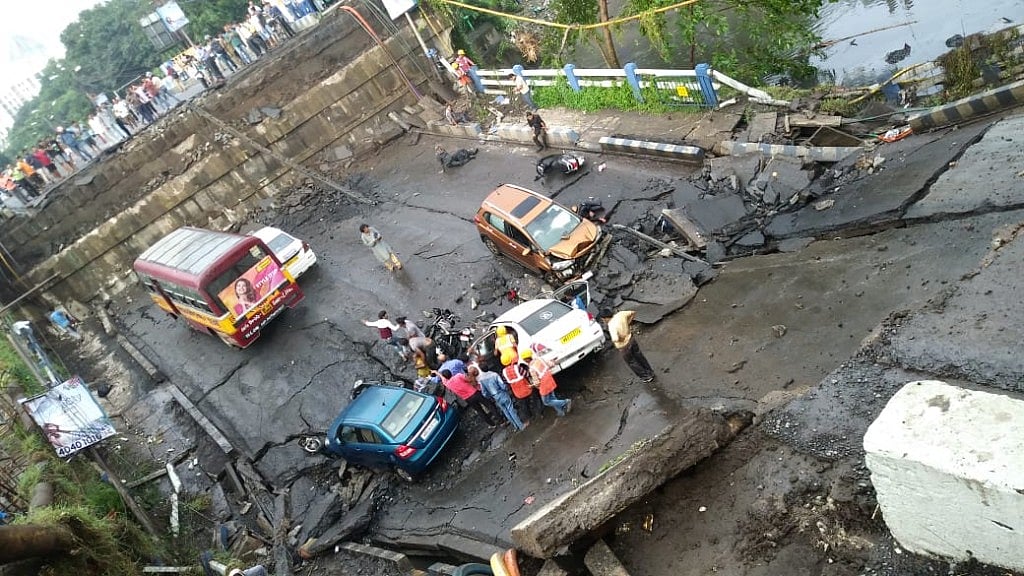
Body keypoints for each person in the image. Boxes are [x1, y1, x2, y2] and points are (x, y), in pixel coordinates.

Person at [600, 308, 655, 382]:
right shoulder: (621, 314)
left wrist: (617, 339)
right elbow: (633, 312)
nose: (603, 321)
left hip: (624, 347)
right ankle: (650, 371)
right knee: (639, 356)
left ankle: (646, 377)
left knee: (632, 362)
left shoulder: (611, 326)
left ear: (606, 318)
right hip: (631, 339)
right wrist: (628, 323)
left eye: (603, 319)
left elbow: (616, 338)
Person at [474, 365, 526, 431]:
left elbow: (484, 392)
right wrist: (506, 389)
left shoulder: (481, 380)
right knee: (511, 409)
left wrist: (490, 396)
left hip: (495, 397)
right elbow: (502, 385)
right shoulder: (494, 375)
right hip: (501, 393)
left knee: (505, 411)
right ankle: (521, 425)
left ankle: (515, 426)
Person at [522, 349, 571, 417]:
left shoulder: (531, 368)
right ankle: (560, 412)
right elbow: (550, 364)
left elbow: (537, 382)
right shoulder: (539, 359)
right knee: (552, 397)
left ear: (526, 359)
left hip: (544, 384)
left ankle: (565, 402)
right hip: (549, 378)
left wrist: (532, 385)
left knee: (546, 402)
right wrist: (554, 362)